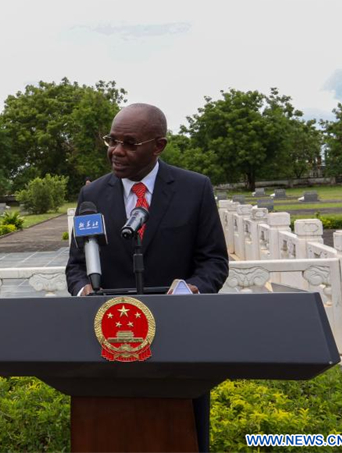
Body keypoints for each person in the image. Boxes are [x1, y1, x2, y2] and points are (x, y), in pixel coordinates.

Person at [65, 103, 228, 453]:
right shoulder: (92, 196)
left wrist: (191, 289)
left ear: (158, 146)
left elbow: (214, 261)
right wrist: (82, 291)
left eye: (129, 143)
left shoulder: (194, 188)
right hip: (107, 343)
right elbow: (76, 265)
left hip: (178, 343)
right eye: (112, 140)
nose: (116, 150)